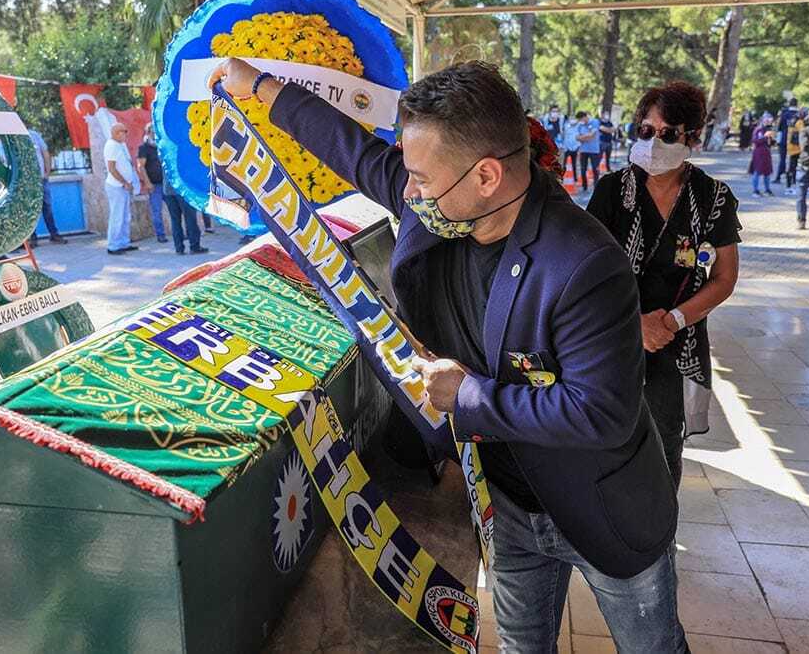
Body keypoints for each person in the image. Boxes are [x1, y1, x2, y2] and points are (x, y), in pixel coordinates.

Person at [210, 57, 685, 653]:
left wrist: (468, 396)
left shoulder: (585, 263)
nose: (407, 191)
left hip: (603, 507)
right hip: (505, 504)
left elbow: (601, 413)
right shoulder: (440, 206)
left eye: (423, 179)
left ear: (487, 175)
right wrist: (259, 86)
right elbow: (352, 151)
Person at [588, 81, 741, 489]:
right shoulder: (611, 191)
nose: (654, 142)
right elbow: (586, 271)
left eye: (668, 133)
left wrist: (670, 322)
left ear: (692, 137)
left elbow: (724, 278)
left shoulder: (713, 198)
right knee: (606, 437)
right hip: (612, 335)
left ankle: (658, 537)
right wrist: (634, 323)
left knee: (663, 443)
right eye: (645, 130)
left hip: (676, 342)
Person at [137, 125, 209, 255]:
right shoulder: (180, 149)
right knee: (190, 218)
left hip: (168, 190)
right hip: (182, 190)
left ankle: (179, 248)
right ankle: (194, 246)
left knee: (175, 220)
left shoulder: (162, 148)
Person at [103, 123, 140, 255]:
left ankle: (123, 242)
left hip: (124, 186)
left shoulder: (120, 145)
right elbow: (112, 168)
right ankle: (113, 245)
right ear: (116, 133)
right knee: (117, 216)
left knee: (125, 216)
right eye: (123, 132)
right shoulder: (111, 145)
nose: (125, 134)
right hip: (116, 186)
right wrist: (124, 182)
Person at [27, 128, 67, 246]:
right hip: (28, 182)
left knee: (47, 208)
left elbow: (45, 152)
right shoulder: (14, 136)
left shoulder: (34, 135)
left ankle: (54, 234)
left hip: (41, 179)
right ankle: (32, 238)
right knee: (30, 210)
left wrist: (47, 171)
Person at [573, 111, 601, 190]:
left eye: (581, 119)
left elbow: (592, 135)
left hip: (594, 150)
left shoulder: (595, 122)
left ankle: (596, 186)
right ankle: (584, 186)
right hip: (583, 150)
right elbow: (577, 137)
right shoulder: (580, 125)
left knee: (595, 169)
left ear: (585, 117)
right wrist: (586, 137)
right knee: (583, 169)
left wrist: (582, 137)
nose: (581, 121)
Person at [749, 115, 775, 196]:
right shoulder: (758, 129)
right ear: (763, 121)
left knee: (767, 172)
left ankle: (767, 189)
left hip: (767, 153)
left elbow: (771, 143)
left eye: (769, 120)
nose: (768, 122)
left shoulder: (769, 129)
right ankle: (755, 190)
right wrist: (765, 137)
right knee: (757, 171)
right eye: (766, 120)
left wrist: (773, 139)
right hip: (759, 153)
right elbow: (755, 141)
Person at [774, 97, 798, 184]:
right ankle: (793, 178)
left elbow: (779, 127)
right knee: (794, 160)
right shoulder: (799, 115)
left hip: (784, 138)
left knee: (782, 159)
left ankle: (779, 177)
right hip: (796, 140)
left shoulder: (784, 114)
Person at [785, 109, 805, 196]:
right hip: (798, 149)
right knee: (799, 168)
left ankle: (789, 187)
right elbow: (803, 133)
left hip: (790, 148)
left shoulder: (791, 122)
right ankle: (792, 187)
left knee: (791, 169)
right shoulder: (800, 122)